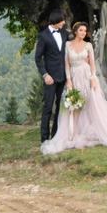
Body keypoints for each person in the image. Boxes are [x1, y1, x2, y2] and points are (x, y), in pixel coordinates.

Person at [40, 22, 107, 155]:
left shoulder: (88, 45)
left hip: (86, 75)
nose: (83, 33)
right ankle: (74, 133)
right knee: (75, 105)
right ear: (75, 31)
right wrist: (69, 81)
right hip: (74, 76)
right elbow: (66, 64)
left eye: (85, 31)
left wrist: (93, 79)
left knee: (90, 104)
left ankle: (97, 130)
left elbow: (93, 64)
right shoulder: (68, 45)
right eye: (81, 30)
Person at [34, 9, 68, 143]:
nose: (64, 22)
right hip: (50, 78)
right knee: (48, 107)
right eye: (62, 20)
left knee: (61, 108)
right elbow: (38, 58)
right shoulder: (43, 36)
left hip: (63, 76)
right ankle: (44, 139)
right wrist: (45, 75)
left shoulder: (65, 33)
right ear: (55, 21)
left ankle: (56, 136)